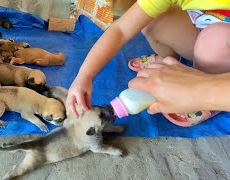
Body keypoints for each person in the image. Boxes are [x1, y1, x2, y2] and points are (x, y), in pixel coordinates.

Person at [66, 0, 230, 126]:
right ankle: (170, 62)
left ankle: (206, 100)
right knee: (151, 18)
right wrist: (85, 74)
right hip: (206, 29)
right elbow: (121, 29)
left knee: (215, 41)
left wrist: (202, 91)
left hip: (220, 47)